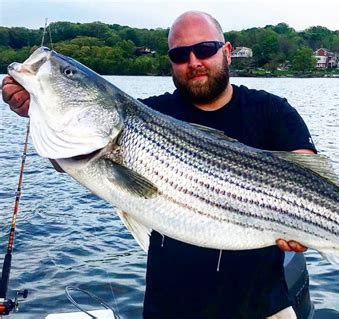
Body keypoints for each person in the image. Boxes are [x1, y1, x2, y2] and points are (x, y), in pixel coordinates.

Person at [2, 11, 316, 319]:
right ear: (171, 61)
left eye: (205, 49)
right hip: (168, 309)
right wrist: (41, 109)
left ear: (228, 51)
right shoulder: (148, 113)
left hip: (263, 309)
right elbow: (70, 156)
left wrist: (307, 220)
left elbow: (312, 177)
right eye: (180, 55)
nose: (193, 62)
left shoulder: (272, 111)